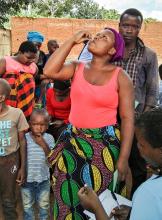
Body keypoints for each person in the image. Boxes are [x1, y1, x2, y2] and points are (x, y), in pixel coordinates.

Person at [43, 28, 134, 219]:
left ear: (112, 51)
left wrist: (124, 158)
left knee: (99, 201)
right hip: (73, 143)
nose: (98, 36)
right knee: (66, 196)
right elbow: (49, 70)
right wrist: (72, 40)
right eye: (98, 34)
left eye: (105, 37)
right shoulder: (77, 67)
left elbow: (127, 118)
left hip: (105, 147)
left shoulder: (121, 76)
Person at [78, 8, 159, 195]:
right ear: (119, 26)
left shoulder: (148, 55)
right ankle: (105, 197)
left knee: (136, 162)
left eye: (135, 26)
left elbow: (152, 88)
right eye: (125, 25)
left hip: (135, 117)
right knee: (107, 156)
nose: (129, 30)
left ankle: (134, 202)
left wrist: (143, 120)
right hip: (108, 116)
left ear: (140, 29)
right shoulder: (110, 50)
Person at [78, 108, 162, 220]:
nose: (137, 147)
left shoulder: (149, 194)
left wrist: (96, 207)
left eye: (141, 144)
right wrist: (134, 213)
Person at [0, 79, 29, 220]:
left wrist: (23, 167)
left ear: (2, 97)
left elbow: (23, 141)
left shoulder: (16, 114)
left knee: (9, 199)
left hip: (10, 161)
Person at [21, 108, 55, 220]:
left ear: (48, 125)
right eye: (35, 124)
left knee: (44, 206)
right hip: (27, 180)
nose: (38, 128)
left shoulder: (49, 138)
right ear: (30, 124)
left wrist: (42, 143)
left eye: (42, 124)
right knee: (27, 207)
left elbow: (51, 159)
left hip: (43, 180)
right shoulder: (24, 138)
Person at [0, 41, 38, 121]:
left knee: (23, 121)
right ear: (19, 52)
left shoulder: (33, 67)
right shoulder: (5, 62)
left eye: (33, 58)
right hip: (8, 98)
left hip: (26, 100)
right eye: (28, 57)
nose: (31, 61)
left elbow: (33, 80)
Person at [27, 31, 49, 108]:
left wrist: (44, 77)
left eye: (39, 46)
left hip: (40, 86)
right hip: (27, 85)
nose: (36, 48)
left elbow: (47, 71)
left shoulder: (42, 55)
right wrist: (44, 76)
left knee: (41, 106)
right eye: (34, 45)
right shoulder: (23, 55)